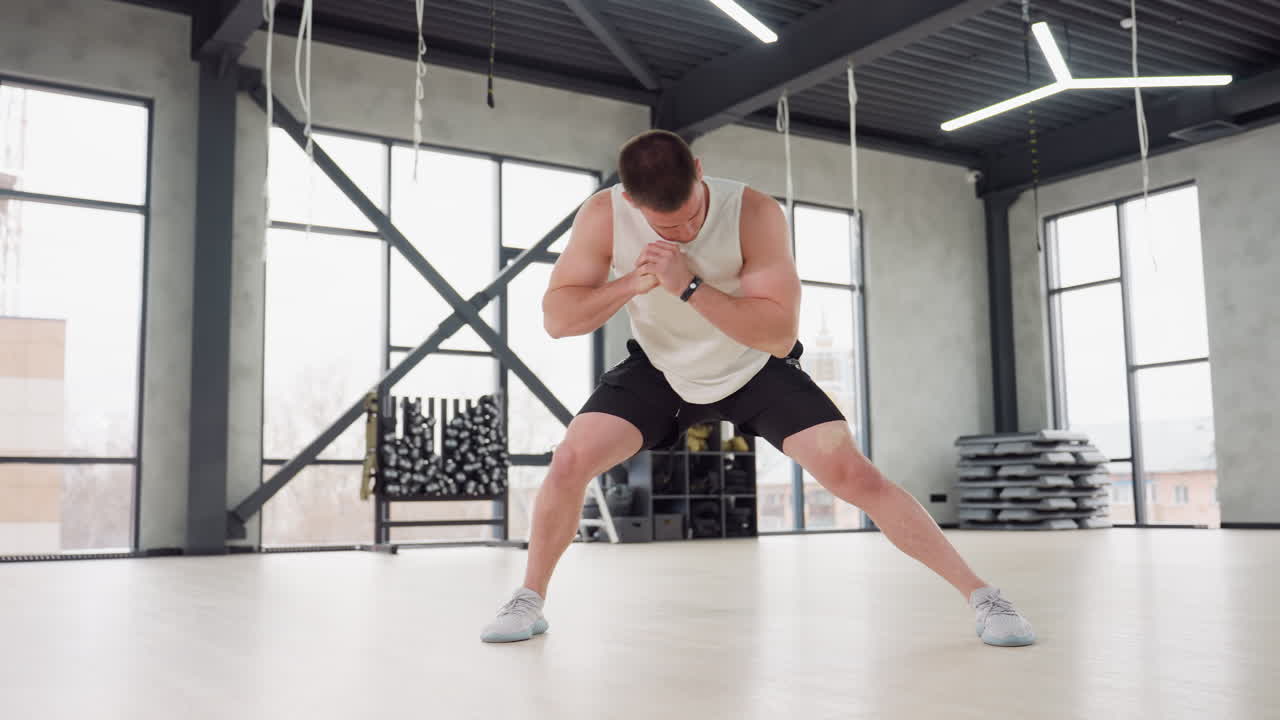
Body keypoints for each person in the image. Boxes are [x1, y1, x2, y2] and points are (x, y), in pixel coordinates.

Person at [480, 130, 1034, 647]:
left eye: (691, 215)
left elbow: (777, 333)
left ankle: (986, 598)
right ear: (629, 200)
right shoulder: (603, 215)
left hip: (753, 365)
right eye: (665, 228)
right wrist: (633, 283)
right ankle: (529, 599)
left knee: (853, 473)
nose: (682, 233)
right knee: (570, 459)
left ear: (700, 171)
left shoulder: (754, 212)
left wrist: (689, 284)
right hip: (661, 368)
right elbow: (559, 318)